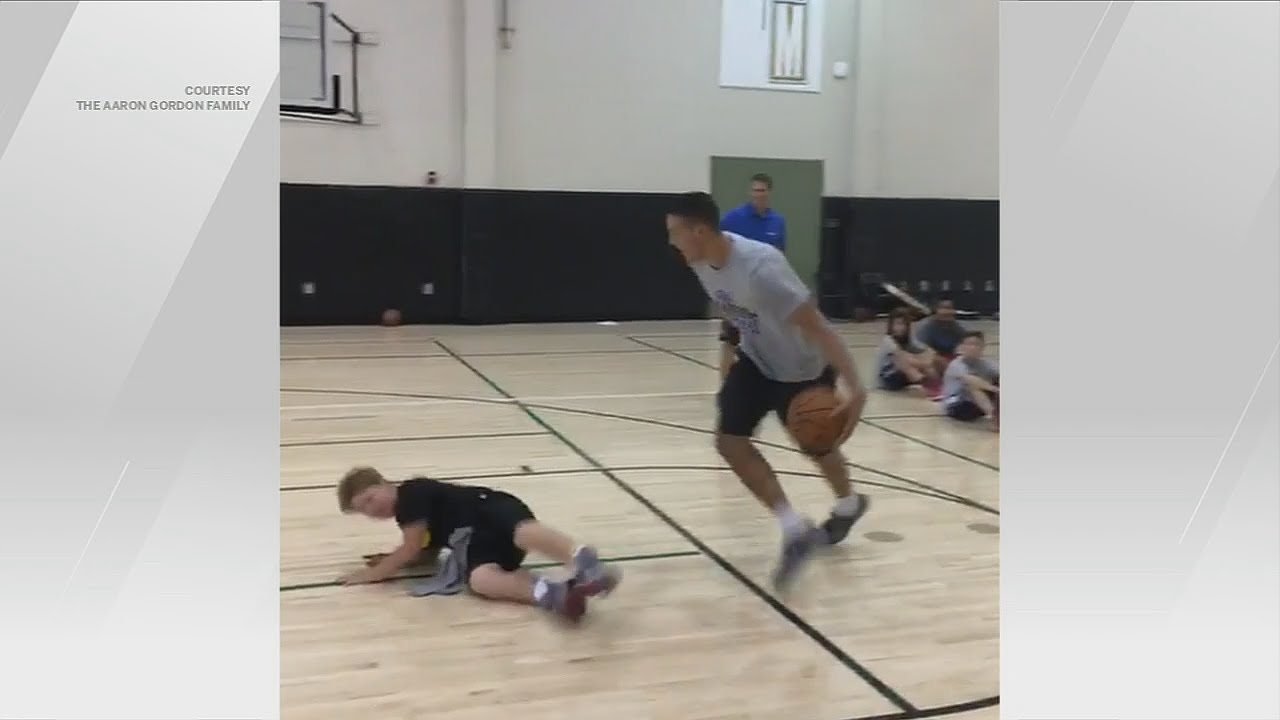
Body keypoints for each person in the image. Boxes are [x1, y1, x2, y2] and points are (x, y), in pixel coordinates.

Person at [666, 191, 871, 591]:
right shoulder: (701, 262)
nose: (671, 241)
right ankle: (794, 529)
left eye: (675, 233)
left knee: (817, 444)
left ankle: (849, 503)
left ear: (699, 231)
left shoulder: (763, 269)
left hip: (803, 368)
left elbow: (819, 327)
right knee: (729, 441)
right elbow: (733, 311)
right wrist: (728, 359)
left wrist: (857, 388)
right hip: (757, 360)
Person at [335, 467, 621, 622]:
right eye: (364, 511)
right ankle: (555, 593)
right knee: (481, 580)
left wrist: (374, 574)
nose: (371, 510)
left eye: (370, 499)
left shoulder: (411, 493)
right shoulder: (410, 520)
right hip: (479, 540)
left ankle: (584, 561)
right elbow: (424, 551)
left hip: (490, 509)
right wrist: (396, 560)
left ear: (385, 482)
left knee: (523, 532)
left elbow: (411, 546)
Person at [717, 174, 788, 382]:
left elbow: (779, 256)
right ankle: (725, 387)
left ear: (769, 192)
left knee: (766, 342)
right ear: (750, 192)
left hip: (764, 292)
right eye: (755, 190)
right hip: (736, 290)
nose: (758, 194)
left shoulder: (777, 222)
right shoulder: (733, 218)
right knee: (731, 339)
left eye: (762, 190)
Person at [940, 331, 1000, 431]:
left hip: (976, 404)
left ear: (983, 347)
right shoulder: (956, 365)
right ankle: (994, 419)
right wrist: (995, 390)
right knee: (971, 386)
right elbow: (971, 380)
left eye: (977, 344)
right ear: (961, 347)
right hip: (957, 405)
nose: (973, 348)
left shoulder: (986, 363)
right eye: (969, 344)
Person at [912, 297, 968, 395]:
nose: (947, 312)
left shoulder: (956, 326)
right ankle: (938, 387)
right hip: (926, 360)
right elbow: (920, 351)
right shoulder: (926, 326)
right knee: (933, 363)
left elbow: (967, 343)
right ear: (936, 310)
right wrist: (946, 364)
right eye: (944, 308)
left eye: (950, 308)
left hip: (947, 360)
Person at [876, 308, 937, 391]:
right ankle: (923, 381)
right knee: (901, 360)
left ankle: (936, 384)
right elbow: (905, 359)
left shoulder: (908, 340)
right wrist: (925, 365)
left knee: (924, 360)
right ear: (891, 325)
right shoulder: (888, 341)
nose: (901, 327)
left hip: (901, 377)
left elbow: (926, 350)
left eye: (904, 324)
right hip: (887, 378)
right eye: (898, 324)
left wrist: (932, 359)